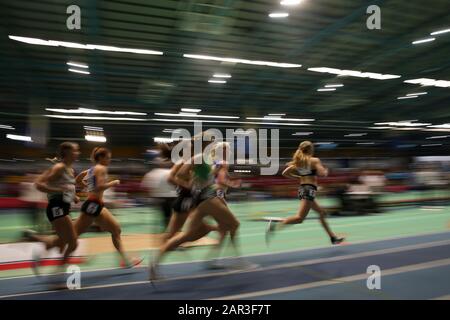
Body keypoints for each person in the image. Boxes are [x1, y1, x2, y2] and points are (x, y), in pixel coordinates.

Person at [149, 135, 253, 280]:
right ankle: (237, 261)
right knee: (234, 224)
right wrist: (191, 185)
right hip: (208, 197)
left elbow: (203, 176)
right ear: (204, 143)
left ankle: (154, 263)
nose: (213, 144)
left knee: (189, 235)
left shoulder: (203, 157)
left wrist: (210, 174)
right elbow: (179, 175)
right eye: (211, 142)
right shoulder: (197, 157)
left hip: (202, 199)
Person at [265, 141, 344, 245]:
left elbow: (285, 173)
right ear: (310, 149)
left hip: (304, 189)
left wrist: (298, 177)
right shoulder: (314, 160)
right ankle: (276, 224)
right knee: (299, 218)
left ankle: (332, 237)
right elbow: (322, 174)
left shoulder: (299, 162)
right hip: (308, 190)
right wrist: (326, 170)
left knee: (321, 213)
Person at [74, 147, 142, 268]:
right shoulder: (101, 168)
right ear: (101, 158)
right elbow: (99, 187)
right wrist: (113, 182)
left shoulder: (90, 170)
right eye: (108, 158)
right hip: (93, 205)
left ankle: (125, 260)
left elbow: (78, 179)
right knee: (73, 234)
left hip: (97, 205)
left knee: (116, 230)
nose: (109, 160)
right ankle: (46, 247)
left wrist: (86, 186)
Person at [27, 142, 80, 284]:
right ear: (67, 153)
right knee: (73, 242)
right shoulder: (59, 167)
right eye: (75, 150)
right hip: (56, 207)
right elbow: (38, 184)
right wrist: (58, 191)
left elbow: (66, 188)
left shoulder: (71, 170)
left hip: (65, 207)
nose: (78, 153)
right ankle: (58, 275)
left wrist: (73, 197)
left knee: (61, 241)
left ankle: (38, 254)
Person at [141, 144, 178, 230]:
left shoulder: (168, 166)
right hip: (168, 195)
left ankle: (170, 231)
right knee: (168, 217)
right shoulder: (161, 166)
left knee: (169, 218)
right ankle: (170, 231)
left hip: (169, 195)